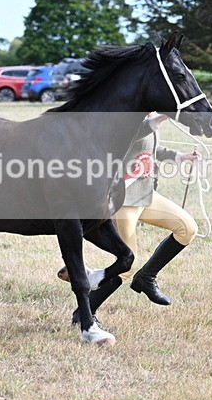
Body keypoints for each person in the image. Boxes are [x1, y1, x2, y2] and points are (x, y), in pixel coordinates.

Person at [58, 112, 200, 323]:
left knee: (187, 228)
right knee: (126, 266)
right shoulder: (124, 116)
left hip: (146, 195)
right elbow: (133, 132)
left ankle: (146, 277)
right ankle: (83, 313)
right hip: (124, 200)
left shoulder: (148, 115)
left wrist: (177, 156)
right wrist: (160, 118)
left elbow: (147, 148)